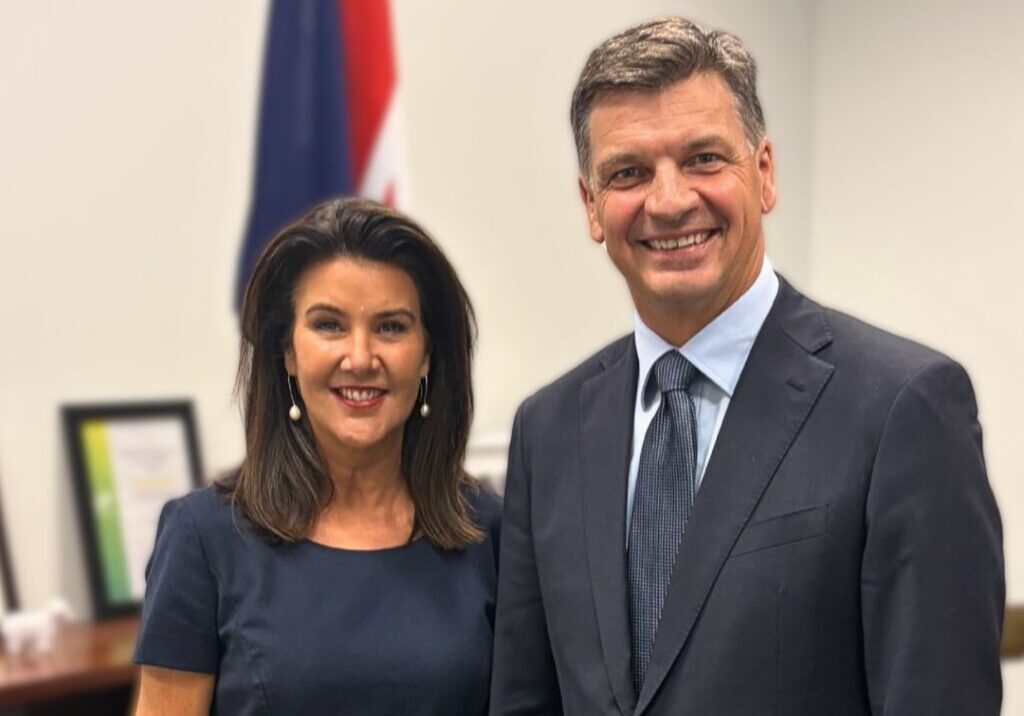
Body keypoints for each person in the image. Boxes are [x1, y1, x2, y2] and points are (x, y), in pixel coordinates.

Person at [490, 17, 1003, 716]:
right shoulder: (548, 430)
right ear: (592, 206)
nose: (670, 201)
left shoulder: (902, 409)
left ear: (764, 174)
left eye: (704, 159)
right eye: (629, 173)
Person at [133, 198, 500, 715]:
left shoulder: (491, 533)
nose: (361, 358)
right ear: (287, 351)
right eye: (329, 325)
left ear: (427, 357)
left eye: (391, 327)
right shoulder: (204, 537)